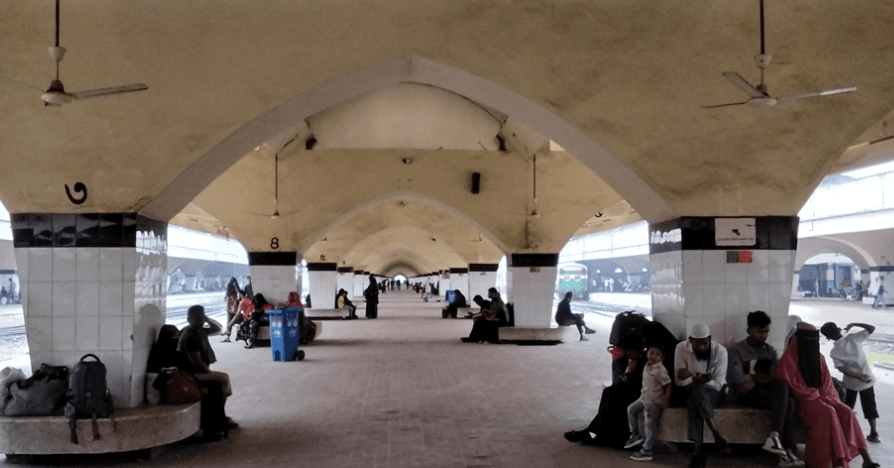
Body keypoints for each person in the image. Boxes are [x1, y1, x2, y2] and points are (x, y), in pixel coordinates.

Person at [776, 323, 880, 468]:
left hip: (824, 397)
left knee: (847, 412)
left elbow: (826, 383)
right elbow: (790, 383)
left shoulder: (819, 358)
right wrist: (815, 396)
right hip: (803, 401)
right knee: (827, 412)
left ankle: (866, 458)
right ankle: (823, 463)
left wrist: (824, 396)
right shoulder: (789, 359)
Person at [727, 311, 804, 467]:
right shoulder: (736, 351)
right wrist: (763, 378)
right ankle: (786, 451)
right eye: (760, 331)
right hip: (744, 396)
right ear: (749, 330)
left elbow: (777, 376)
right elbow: (740, 384)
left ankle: (780, 448)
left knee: (789, 402)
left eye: (766, 332)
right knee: (784, 394)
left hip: (767, 393)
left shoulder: (769, 351)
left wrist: (754, 379)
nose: (764, 336)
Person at [564, 336, 647, 448]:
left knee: (613, 398)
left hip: (640, 393)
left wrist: (631, 371)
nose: (626, 354)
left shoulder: (644, 362)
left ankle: (592, 434)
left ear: (636, 351)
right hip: (632, 389)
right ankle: (592, 431)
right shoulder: (633, 359)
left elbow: (639, 383)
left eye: (628, 351)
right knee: (608, 391)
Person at [674, 323, 729, 468]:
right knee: (696, 392)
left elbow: (718, 384)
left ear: (710, 339)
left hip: (715, 393)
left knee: (695, 395)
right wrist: (694, 379)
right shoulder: (681, 348)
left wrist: (701, 380)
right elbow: (678, 381)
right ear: (690, 340)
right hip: (691, 390)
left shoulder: (720, 351)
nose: (702, 348)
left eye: (705, 343)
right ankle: (716, 434)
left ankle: (698, 451)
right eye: (697, 344)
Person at [177, 305, 237, 439]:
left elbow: (218, 328)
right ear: (189, 319)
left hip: (200, 371)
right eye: (196, 317)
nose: (199, 320)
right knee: (222, 380)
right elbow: (196, 362)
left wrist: (207, 319)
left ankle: (221, 416)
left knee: (224, 378)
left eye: (201, 317)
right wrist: (210, 372)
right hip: (193, 374)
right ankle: (219, 418)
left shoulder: (200, 331)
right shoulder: (189, 336)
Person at [821, 321, 881, 443]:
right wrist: (854, 324)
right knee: (870, 406)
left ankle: (845, 433)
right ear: (839, 329)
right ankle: (874, 432)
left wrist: (858, 376)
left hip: (850, 383)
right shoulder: (853, 338)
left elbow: (842, 369)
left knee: (847, 408)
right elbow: (871, 327)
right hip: (866, 380)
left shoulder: (834, 352)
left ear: (828, 337)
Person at [625, 343, 673, 462]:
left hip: (653, 401)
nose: (653, 356)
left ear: (662, 358)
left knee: (649, 425)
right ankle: (635, 434)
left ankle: (647, 450)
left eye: (657, 354)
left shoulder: (660, 370)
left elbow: (668, 385)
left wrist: (666, 400)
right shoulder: (647, 364)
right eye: (651, 353)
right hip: (644, 398)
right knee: (631, 409)